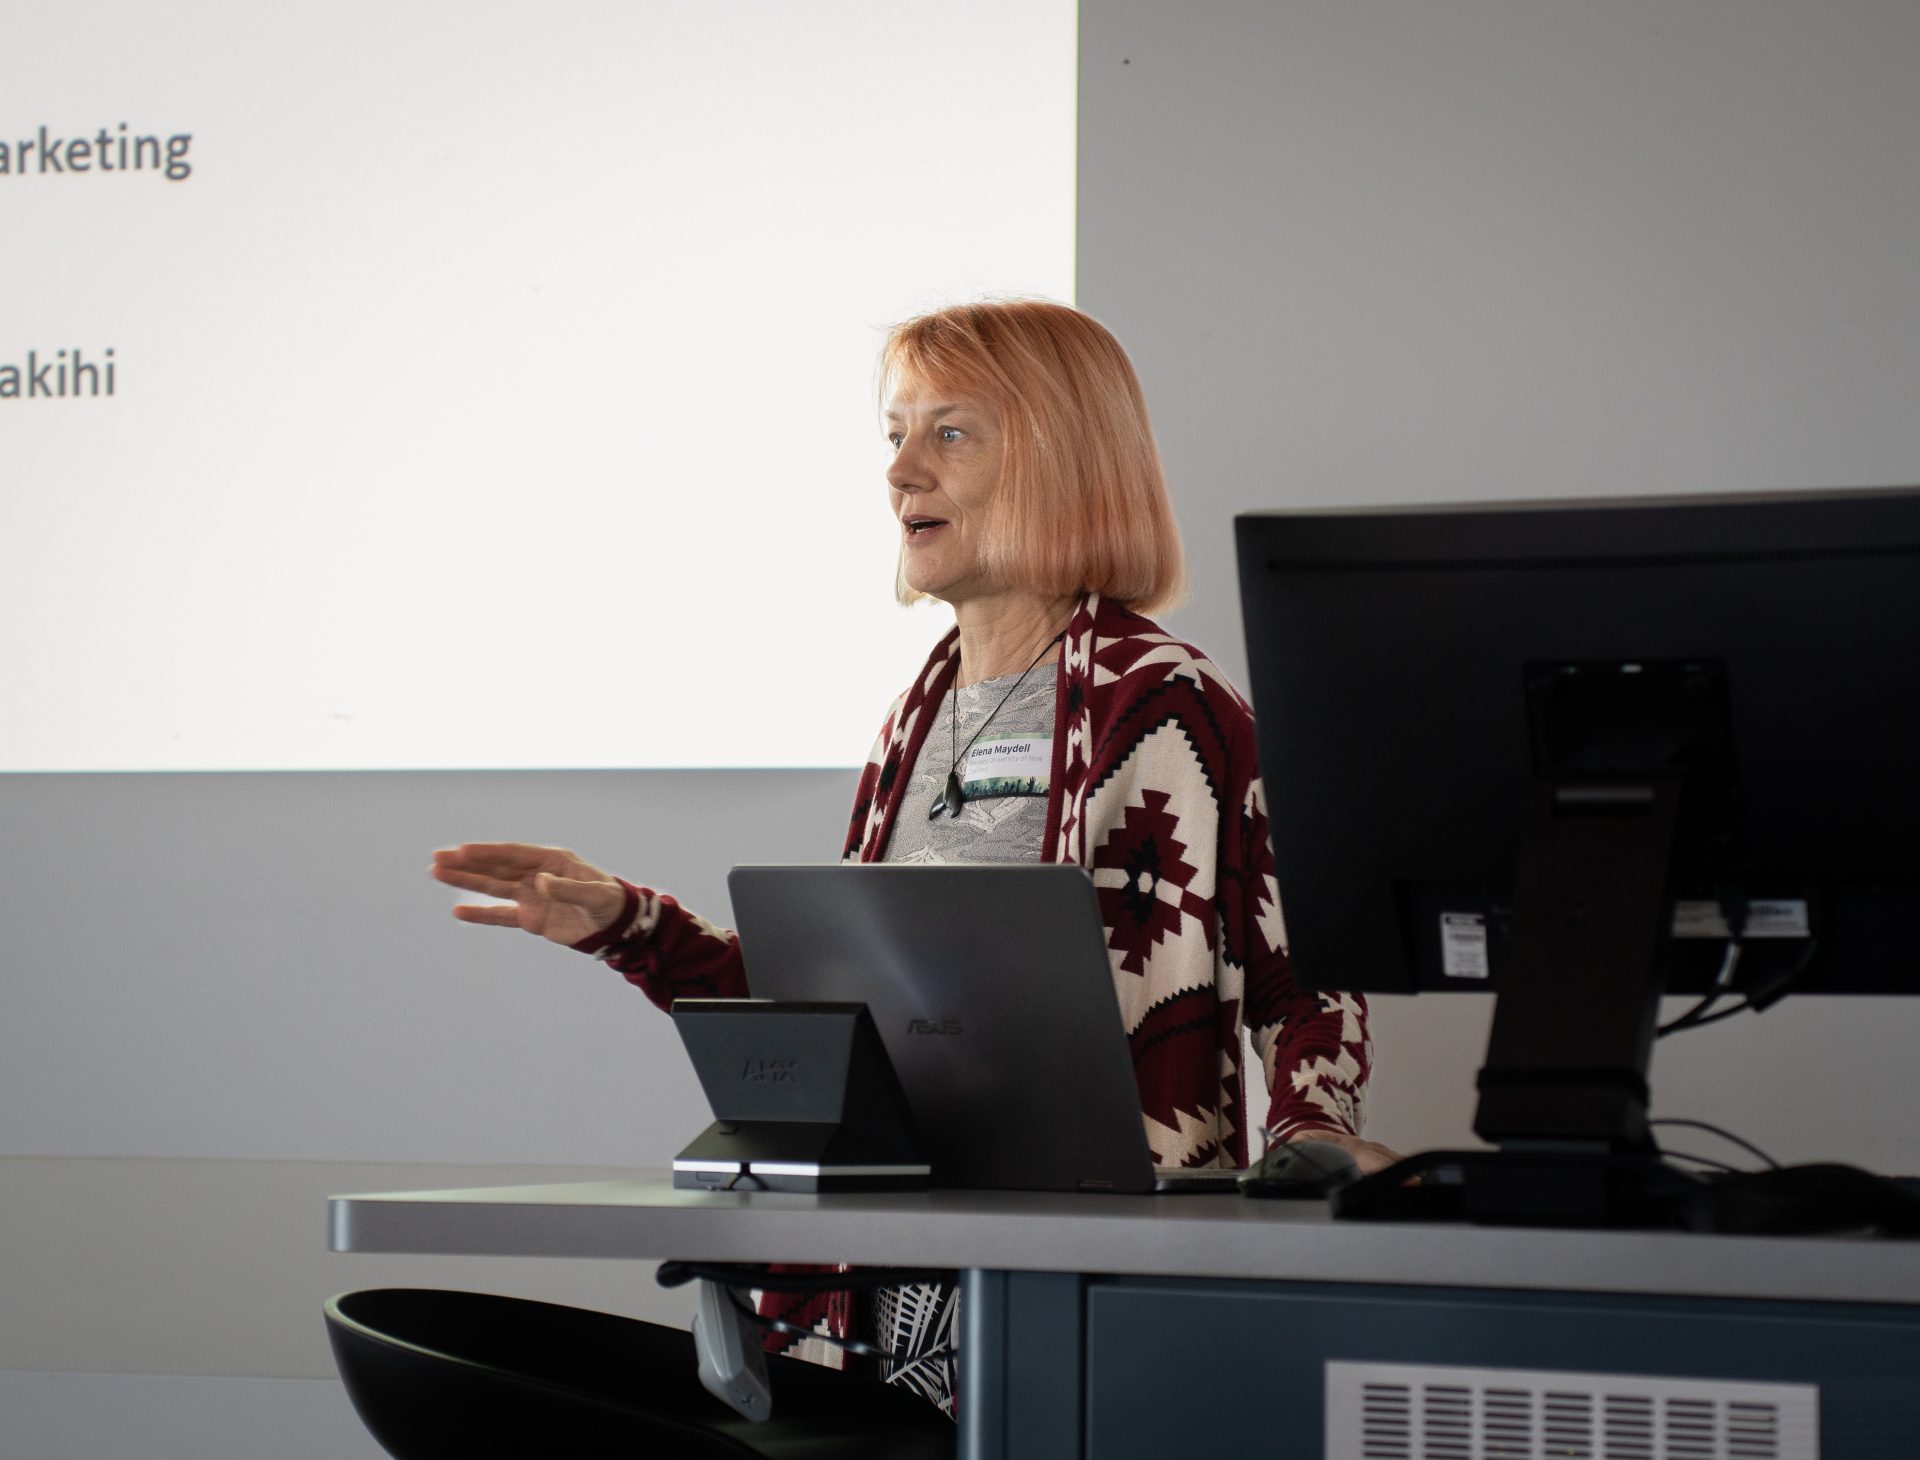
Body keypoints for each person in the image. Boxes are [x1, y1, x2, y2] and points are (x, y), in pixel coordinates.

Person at [432, 299, 1390, 1415]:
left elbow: (1307, 971)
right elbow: (841, 1019)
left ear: (1059, 459)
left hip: (1078, 1277)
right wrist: (628, 925)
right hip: (892, 1278)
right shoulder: (914, 716)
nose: (900, 473)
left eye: (949, 433)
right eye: (894, 435)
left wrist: (1314, 1141)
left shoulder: (1167, 701)